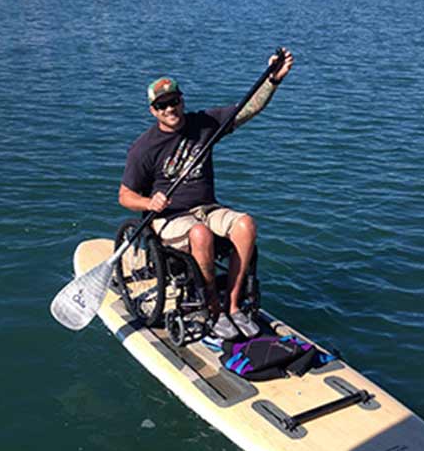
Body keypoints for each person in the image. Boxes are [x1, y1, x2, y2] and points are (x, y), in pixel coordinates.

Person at [119, 48, 294, 340]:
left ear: (182, 100)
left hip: (207, 208)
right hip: (169, 218)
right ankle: (212, 308)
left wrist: (272, 80)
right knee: (200, 235)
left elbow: (248, 108)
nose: (170, 110)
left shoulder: (204, 123)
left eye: (173, 102)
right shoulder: (143, 148)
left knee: (245, 224)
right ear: (153, 111)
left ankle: (234, 305)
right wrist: (150, 202)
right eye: (162, 106)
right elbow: (124, 195)